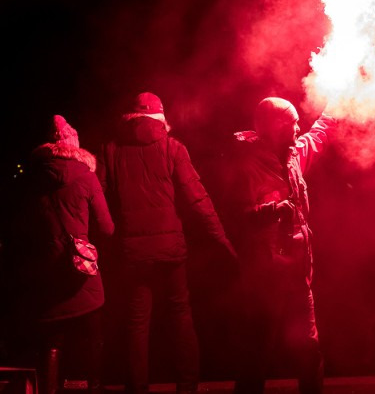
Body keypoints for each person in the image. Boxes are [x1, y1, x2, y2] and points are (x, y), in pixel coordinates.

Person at [97, 92, 236, 394]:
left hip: (132, 253)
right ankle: (187, 388)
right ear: (161, 118)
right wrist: (222, 240)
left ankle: (137, 389)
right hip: (171, 250)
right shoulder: (173, 148)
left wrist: (110, 242)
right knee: (181, 316)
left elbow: (101, 203)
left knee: (136, 324)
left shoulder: (111, 151)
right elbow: (198, 200)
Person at [229, 97, 336, 394]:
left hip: (298, 272)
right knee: (258, 351)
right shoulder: (246, 165)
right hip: (266, 277)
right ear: (276, 127)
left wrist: (338, 103)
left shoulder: (293, 155)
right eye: (292, 123)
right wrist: (273, 210)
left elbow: (318, 134)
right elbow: (236, 217)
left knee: (310, 349)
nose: (299, 127)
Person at [6, 115, 114, 394]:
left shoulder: (29, 178)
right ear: (73, 144)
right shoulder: (87, 176)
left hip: (45, 270)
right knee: (94, 335)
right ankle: (96, 387)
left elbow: (16, 227)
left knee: (51, 341)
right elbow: (107, 227)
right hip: (81, 269)